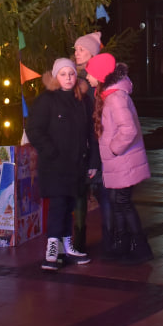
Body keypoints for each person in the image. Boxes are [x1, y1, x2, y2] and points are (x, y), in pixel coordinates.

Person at [25, 57, 92, 270]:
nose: (68, 78)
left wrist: (90, 160)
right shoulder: (47, 100)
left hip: (76, 164)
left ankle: (66, 246)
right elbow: (34, 129)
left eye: (71, 74)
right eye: (63, 74)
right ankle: (52, 248)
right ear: (55, 77)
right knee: (58, 205)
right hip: (54, 164)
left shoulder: (82, 99)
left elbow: (90, 131)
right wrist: (50, 150)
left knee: (69, 205)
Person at [86, 52, 153, 263]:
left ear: (100, 75)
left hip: (123, 161)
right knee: (118, 202)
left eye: (89, 74)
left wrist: (113, 149)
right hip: (120, 162)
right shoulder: (109, 94)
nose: (87, 78)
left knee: (123, 203)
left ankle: (140, 248)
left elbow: (128, 129)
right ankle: (123, 245)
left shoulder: (115, 98)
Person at [72, 32, 105, 253]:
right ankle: (80, 240)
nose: (76, 53)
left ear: (92, 53)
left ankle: (114, 239)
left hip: (98, 144)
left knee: (104, 193)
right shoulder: (76, 78)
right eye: (75, 49)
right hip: (84, 145)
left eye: (81, 49)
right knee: (82, 192)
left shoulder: (95, 80)